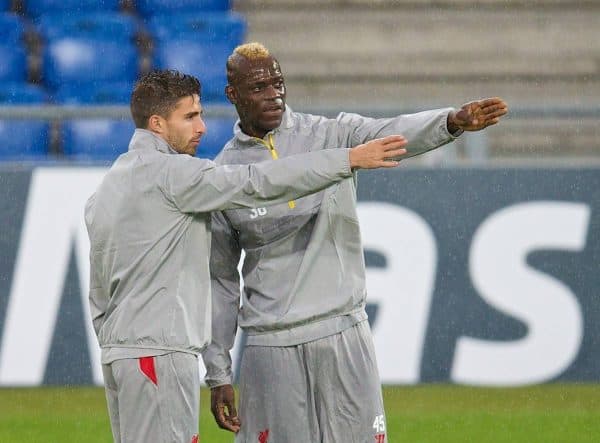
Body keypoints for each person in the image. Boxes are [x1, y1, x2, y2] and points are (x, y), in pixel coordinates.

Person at [202, 42, 509, 443]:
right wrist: (218, 372)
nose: (273, 94)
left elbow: (392, 132)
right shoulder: (224, 174)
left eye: (278, 83)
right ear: (233, 95)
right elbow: (221, 282)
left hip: (342, 333)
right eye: (259, 87)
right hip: (270, 347)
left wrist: (450, 121)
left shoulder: (331, 134)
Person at [84, 69, 410, 443]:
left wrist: (115, 342)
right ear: (157, 123)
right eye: (190, 116)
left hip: (120, 357)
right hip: (158, 354)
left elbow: (99, 290)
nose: (202, 127)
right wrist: (346, 159)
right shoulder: (174, 175)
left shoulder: (108, 187)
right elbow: (257, 182)